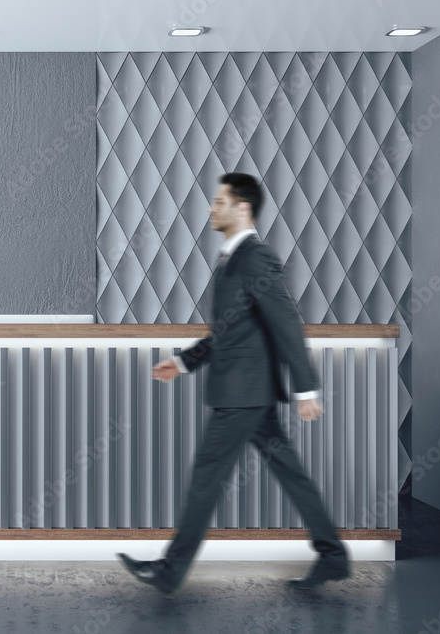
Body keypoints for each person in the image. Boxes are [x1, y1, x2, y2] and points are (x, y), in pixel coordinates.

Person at [117, 172, 349, 597]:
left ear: (242, 208)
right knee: (291, 472)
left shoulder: (255, 258)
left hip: (243, 393)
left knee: (207, 474)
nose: (212, 208)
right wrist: (185, 362)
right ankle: (333, 555)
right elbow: (230, 331)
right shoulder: (233, 260)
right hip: (250, 392)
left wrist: (306, 387)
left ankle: (170, 571)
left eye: (219, 201)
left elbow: (285, 322)